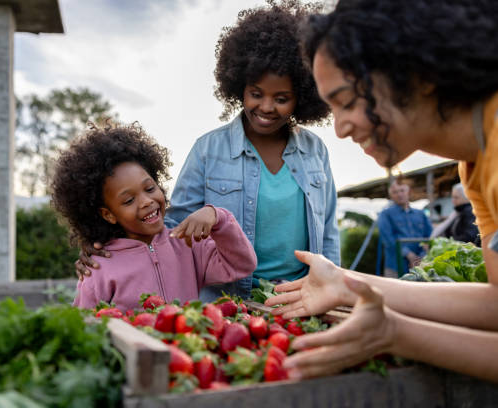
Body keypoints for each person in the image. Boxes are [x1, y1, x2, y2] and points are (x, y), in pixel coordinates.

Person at [265, 0, 498, 383]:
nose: (339, 128)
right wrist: (346, 284)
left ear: (417, 72)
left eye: (347, 101)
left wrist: (396, 334)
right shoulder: (473, 166)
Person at [76, 1, 340, 302]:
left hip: (302, 296)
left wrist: (334, 286)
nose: (266, 107)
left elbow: (328, 230)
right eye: (256, 94)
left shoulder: (315, 151)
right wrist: (105, 245)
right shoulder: (208, 150)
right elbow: (170, 229)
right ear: (239, 87)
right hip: (229, 300)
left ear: (302, 98)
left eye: (281, 98)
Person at [50, 123, 256, 311]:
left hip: (188, 349)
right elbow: (85, 327)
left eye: (149, 188)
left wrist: (217, 216)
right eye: (129, 200)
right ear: (109, 214)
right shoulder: (99, 268)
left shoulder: (187, 243)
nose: (146, 201)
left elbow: (241, 265)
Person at [377, 179, 433, 277]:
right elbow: (388, 239)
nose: (399, 194)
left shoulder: (421, 214)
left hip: (421, 266)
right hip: (395, 267)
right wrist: (409, 255)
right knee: (394, 292)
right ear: (391, 196)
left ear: (408, 192)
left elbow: (430, 236)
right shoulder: (385, 214)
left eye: (402, 190)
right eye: (395, 192)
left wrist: (421, 256)